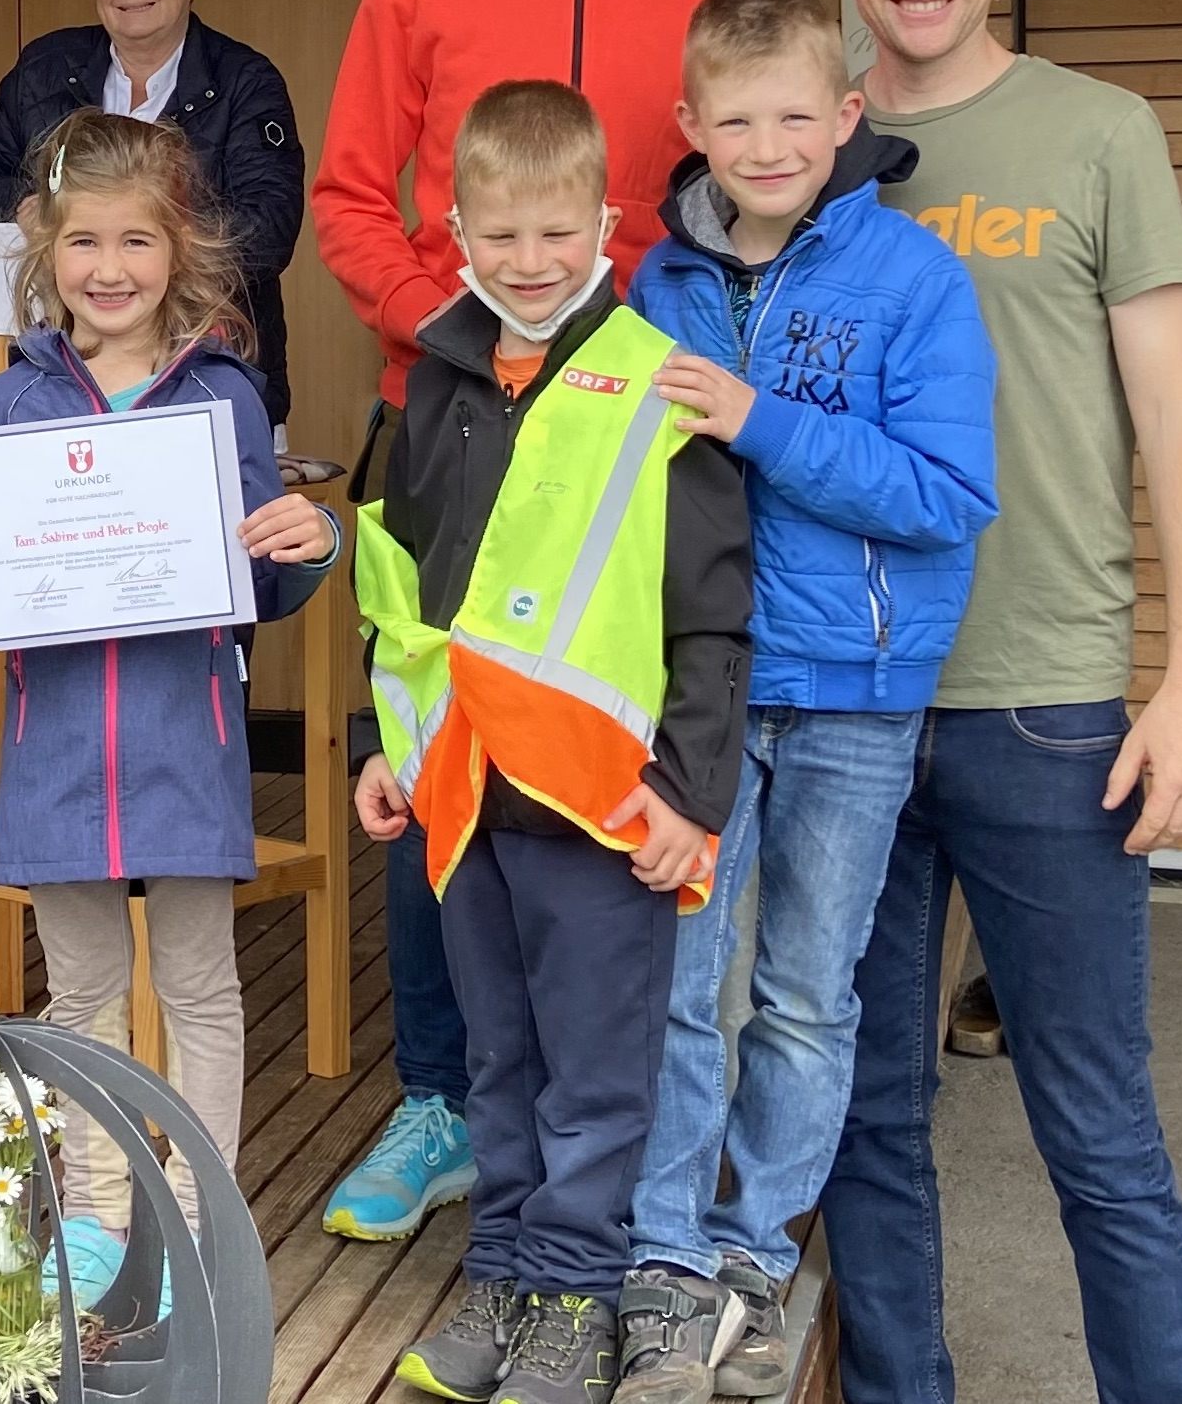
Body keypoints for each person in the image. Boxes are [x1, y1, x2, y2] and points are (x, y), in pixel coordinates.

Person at [311, 0, 766, 1245]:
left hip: (633, 435)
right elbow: (352, 194)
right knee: (435, 735)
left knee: (604, 753)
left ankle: (613, 1134)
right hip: (448, 411)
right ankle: (439, 1096)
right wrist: (456, 332)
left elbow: (750, 191)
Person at [815, 0, 1182, 1404]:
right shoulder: (807, 142)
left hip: (1045, 699)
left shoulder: (1098, 132)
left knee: (1097, 1125)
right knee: (866, 1112)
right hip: (842, 698)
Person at [0, 110, 337, 1305]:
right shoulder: (7, 405)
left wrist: (308, 543)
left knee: (198, 989)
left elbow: (259, 579)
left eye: (137, 241)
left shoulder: (227, 396)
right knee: (76, 992)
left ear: (182, 253)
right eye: (85, 242)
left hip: (188, 740)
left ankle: (195, 1220)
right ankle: (91, 1220)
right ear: (46, 251)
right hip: (57, 745)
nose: (110, 268)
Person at [608, 0, 998, 1404]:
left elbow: (949, 495)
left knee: (808, 998)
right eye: (736, 118)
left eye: (796, 115)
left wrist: (758, 419)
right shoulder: (656, 286)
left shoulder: (914, 282)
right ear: (690, 126)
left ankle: (755, 1250)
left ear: (846, 116)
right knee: (681, 987)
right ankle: (662, 1259)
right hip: (700, 697)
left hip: (854, 697)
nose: (768, 144)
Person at [353, 81, 753, 1404]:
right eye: (502, 236)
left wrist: (691, 794)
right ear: (452, 227)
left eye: (557, 235)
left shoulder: (657, 388)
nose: (531, 263)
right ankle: (509, 1273)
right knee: (500, 1062)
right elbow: (402, 597)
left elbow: (710, 616)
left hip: (598, 806)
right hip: (466, 794)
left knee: (594, 1075)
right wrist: (384, 746)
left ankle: (576, 1297)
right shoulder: (436, 389)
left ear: (608, 222)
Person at [0, 0, 306, 427]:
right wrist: (39, 206)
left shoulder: (245, 82)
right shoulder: (47, 68)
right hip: (61, 377)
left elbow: (269, 228)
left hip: (211, 372)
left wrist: (155, 238)